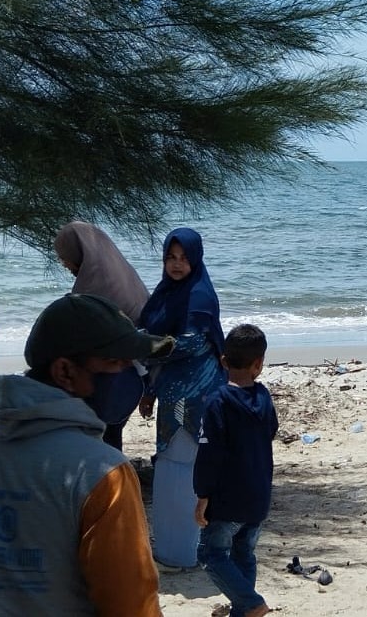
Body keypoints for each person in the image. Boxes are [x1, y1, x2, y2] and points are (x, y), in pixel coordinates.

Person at [0, 292, 175, 616]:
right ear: (65, 372)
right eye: (115, 364)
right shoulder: (104, 476)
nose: (127, 374)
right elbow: (133, 607)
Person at [138, 226, 227, 569]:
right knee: (170, 470)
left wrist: (137, 346)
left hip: (197, 400)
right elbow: (158, 341)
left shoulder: (200, 296)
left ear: (196, 259)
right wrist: (148, 392)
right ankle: (171, 552)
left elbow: (187, 343)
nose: (176, 264)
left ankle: (188, 554)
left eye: (184, 258)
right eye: (170, 257)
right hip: (171, 396)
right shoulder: (166, 293)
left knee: (189, 472)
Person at [195, 324, 279, 617]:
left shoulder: (217, 402)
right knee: (244, 553)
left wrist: (202, 494)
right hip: (258, 495)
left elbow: (209, 454)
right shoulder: (264, 397)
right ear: (259, 364)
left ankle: (251, 603)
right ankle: (244, 611)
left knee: (210, 553)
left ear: (223, 361)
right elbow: (271, 431)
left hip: (228, 499)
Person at [54, 220, 152, 449]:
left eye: (65, 256)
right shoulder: (119, 271)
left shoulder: (93, 287)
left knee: (101, 438)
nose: (64, 263)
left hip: (113, 379)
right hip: (136, 375)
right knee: (110, 436)